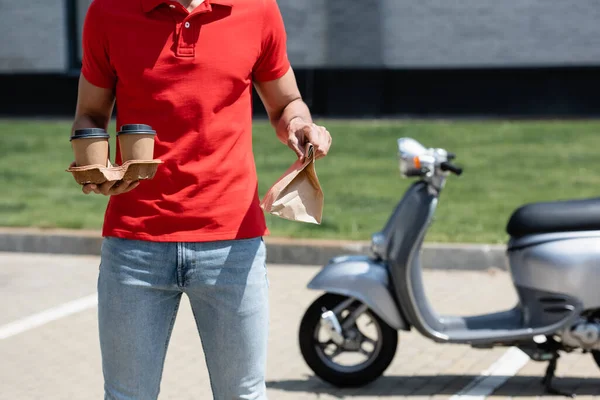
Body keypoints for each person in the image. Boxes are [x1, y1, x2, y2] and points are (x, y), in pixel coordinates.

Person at [71, 0, 332, 398]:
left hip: (233, 245)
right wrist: (97, 166)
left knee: (242, 394)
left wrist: (300, 127)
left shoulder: (257, 9)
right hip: (135, 246)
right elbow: (90, 114)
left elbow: (285, 103)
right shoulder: (108, 12)